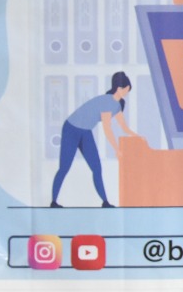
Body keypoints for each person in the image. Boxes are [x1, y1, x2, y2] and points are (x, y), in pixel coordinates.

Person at [50, 71, 142, 207]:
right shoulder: (107, 101)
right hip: (71, 128)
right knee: (64, 167)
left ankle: (105, 201)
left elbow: (124, 127)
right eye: (126, 90)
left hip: (85, 131)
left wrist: (139, 138)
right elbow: (107, 128)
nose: (127, 93)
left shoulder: (117, 105)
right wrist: (117, 149)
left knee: (97, 168)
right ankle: (53, 201)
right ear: (119, 89)